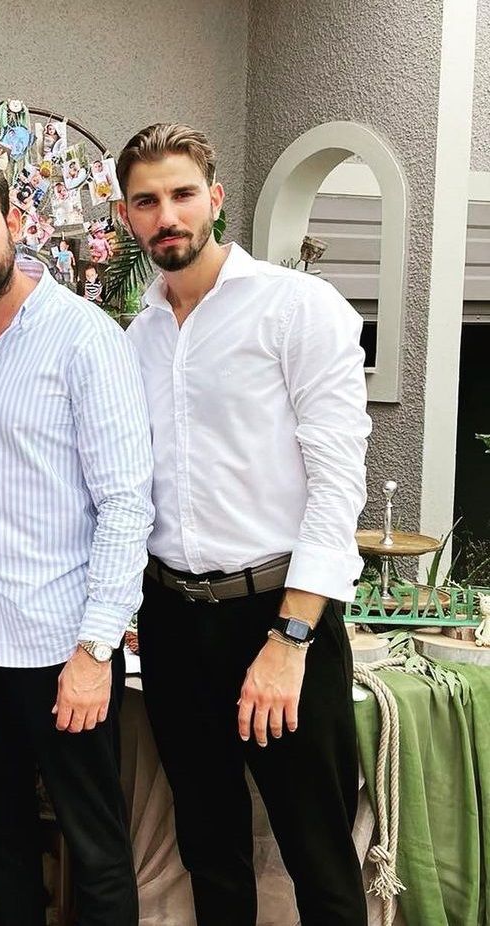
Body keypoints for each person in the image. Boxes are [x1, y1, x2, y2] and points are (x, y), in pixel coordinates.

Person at [115, 122, 371, 926]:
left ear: (216, 199)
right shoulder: (136, 337)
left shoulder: (297, 308)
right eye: (147, 202)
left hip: (278, 612)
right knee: (209, 849)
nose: (167, 217)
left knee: (318, 856)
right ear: (126, 216)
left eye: (182, 195)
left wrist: (291, 639)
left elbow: (337, 484)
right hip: (172, 619)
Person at [0, 157, 153, 926]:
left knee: (94, 844)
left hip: (59, 645)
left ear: (14, 225)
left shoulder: (84, 338)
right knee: (0, 835)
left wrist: (94, 649)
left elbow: (126, 503)